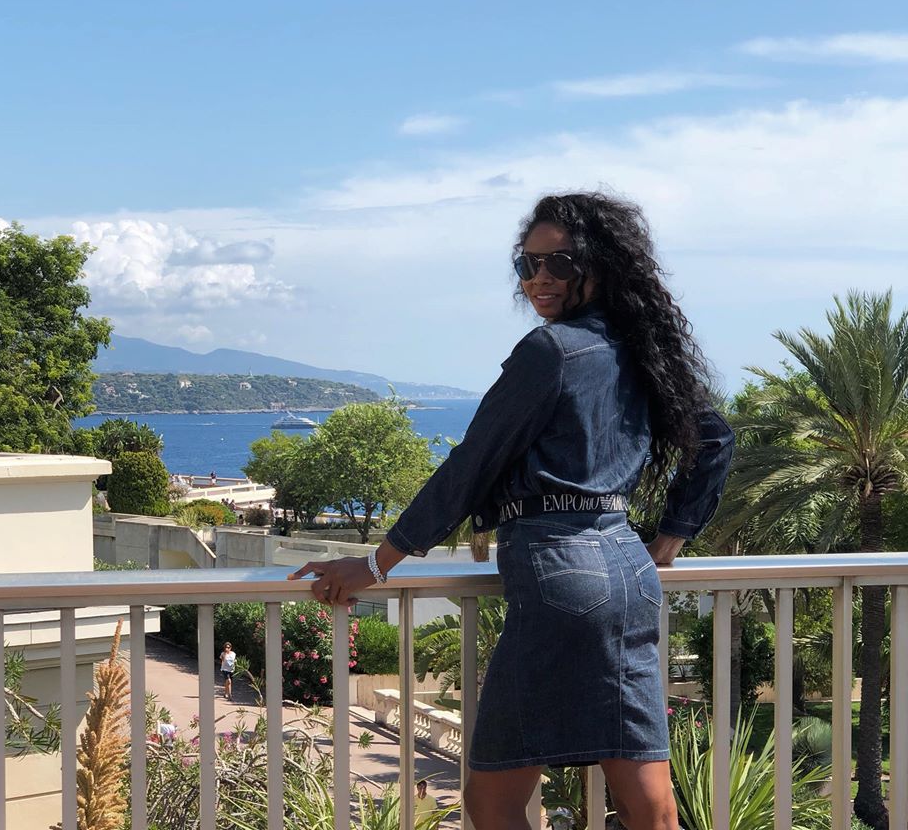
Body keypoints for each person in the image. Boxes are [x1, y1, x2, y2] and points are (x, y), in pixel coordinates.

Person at [289, 191, 735, 830]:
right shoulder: (640, 350)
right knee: (648, 803)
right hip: (629, 571)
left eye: (559, 262)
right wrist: (669, 537)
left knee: (493, 800)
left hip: (560, 574)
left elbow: (471, 465)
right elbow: (715, 438)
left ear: (601, 263)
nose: (538, 279)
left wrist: (377, 563)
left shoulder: (551, 351)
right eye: (527, 265)